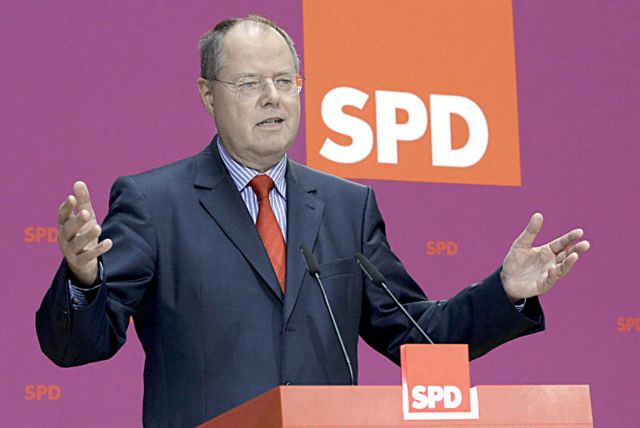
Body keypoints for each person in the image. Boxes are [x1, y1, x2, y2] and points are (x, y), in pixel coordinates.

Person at [36, 15, 590, 427]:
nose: (272, 98)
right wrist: (83, 279)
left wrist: (506, 292)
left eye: (285, 81)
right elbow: (78, 345)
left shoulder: (347, 205)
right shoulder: (155, 202)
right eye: (249, 84)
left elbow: (417, 335)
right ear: (207, 95)